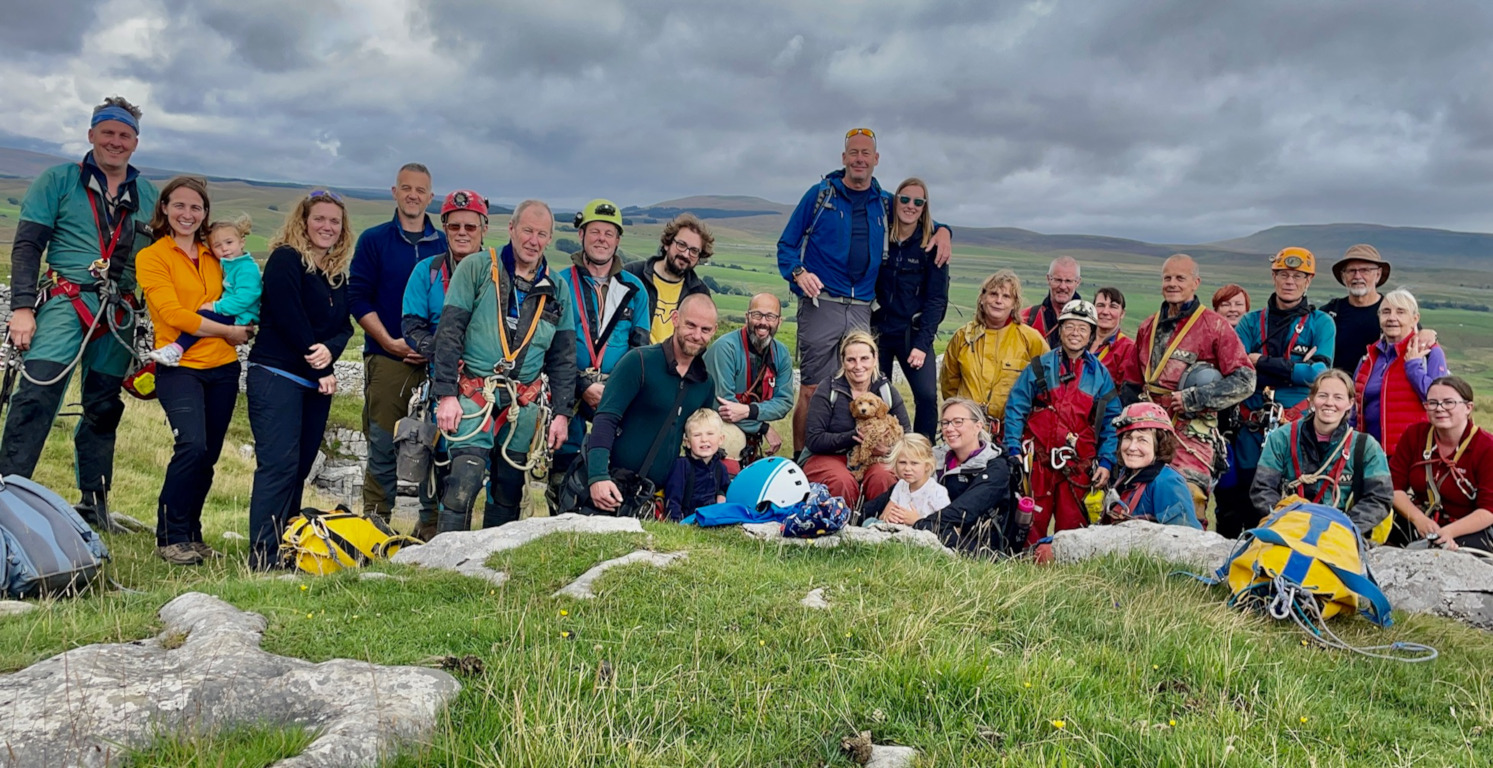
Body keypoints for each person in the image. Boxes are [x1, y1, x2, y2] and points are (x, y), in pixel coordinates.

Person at [0, 96, 160, 531]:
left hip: (120, 311)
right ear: (91, 135)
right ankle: (8, 495)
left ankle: (95, 503)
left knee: (104, 408)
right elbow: (29, 244)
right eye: (107, 132)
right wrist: (21, 309)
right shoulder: (58, 180)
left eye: (124, 135)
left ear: (135, 142)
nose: (115, 141)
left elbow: (164, 257)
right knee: (35, 396)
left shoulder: (147, 194)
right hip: (66, 302)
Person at [775, 128, 951, 454]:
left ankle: (856, 457)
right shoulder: (819, 196)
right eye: (853, 153)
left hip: (861, 309)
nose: (859, 159)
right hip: (821, 303)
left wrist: (944, 231)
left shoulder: (883, 202)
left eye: (865, 153)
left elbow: (917, 215)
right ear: (844, 158)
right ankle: (802, 462)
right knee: (813, 389)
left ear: (876, 160)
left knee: (860, 388)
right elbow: (786, 245)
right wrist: (798, 273)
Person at [431, 200, 576, 532]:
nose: (533, 240)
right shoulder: (478, 269)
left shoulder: (558, 289)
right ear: (511, 229)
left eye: (542, 234)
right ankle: (443, 563)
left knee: (509, 488)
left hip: (522, 403)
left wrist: (563, 414)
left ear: (550, 238)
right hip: (473, 393)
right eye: (527, 230)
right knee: (463, 479)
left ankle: (492, 564)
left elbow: (563, 358)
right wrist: (445, 395)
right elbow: (449, 333)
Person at [135, 177, 252, 565]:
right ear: (165, 208)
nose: (188, 214)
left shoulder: (216, 253)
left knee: (209, 454)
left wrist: (246, 325)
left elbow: (238, 295)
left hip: (222, 367)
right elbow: (173, 314)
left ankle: (194, 534)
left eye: (196, 208)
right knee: (192, 445)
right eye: (180, 206)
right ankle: (170, 535)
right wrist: (230, 331)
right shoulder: (153, 257)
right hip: (179, 367)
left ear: (205, 214)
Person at [245, 190, 356, 570]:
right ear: (303, 222)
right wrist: (320, 363)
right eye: (320, 219)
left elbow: (344, 327)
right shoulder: (285, 259)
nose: (327, 227)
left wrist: (331, 352)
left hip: (312, 385)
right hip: (277, 375)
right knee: (277, 465)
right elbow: (289, 316)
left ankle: (286, 546)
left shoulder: (336, 275)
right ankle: (262, 556)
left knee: (298, 467)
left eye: (335, 222)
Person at [347, 164, 446, 523]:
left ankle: (432, 528)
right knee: (383, 443)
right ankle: (375, 526)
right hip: (387, 357)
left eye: (420, 190)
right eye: (406, 188)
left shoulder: (446, 243)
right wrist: (389, 342)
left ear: (430, 197)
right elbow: (357, 298)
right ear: (394, 192)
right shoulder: (374, 240)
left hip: (438, 363)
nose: (413, 195)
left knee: (437, 444)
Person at [1218, 247, 1335, 538]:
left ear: (1308, 281)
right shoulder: (1250, 322)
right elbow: (1239, 369)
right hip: (1250, 422)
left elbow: (1318, 375)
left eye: (1298, 276)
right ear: (1274, 277)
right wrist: (1295, 368)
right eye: (1284, 275)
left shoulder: (1321, 323)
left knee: (1292, 494)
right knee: (1243, 497)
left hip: (1296, 426)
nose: (1290, 282)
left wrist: (1264, 361)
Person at [1128, 254, 1255, 518]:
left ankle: (1189, 558)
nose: (1172, 284)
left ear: (1195, 283)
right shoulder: (1147, 327)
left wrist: (1194, 398)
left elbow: (1246, 380)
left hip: (1191, 434)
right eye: (1167, 278)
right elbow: (1131, 382)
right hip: (1150, 430)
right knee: (1141, 501)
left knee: (1188, 501)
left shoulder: (1214, 326)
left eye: (1180, 278)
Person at [400, 189, 491, 540]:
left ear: (484, 227)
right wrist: (438, 350)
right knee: (432, 450)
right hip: (440, 377)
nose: (463, 232)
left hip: (486, 384)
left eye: (471, 225)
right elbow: (411, 323)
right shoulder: (429, 271)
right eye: (455, 226)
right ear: (445, 228)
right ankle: (430, 527)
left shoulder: (497, 274)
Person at [552, 199, 652, 505]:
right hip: (567, 393)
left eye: (609, 233)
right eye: (594, 231)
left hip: (616, 395)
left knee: (612, 466)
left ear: (618, 240)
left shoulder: (635, 289)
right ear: (581, 235)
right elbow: (548, 347)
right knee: (563, 468)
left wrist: (613, 390)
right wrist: (583, 386)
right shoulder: (559, 282)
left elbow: (640, 352)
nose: (601, 239)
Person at [586, 293, 719, 512]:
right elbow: (605, 418)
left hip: (662, 501)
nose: (696, 335)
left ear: (714, 331)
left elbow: (702, 443)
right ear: (675, 319)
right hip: (613, 488)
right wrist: (597, 476)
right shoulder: (639, 362)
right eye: (691, 325)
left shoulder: (705, 383)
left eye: (705, 330)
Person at [1003, 300, 1121, 544]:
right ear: (1060, 329)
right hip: (1037, 463)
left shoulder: (1100, 377)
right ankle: (1027, 566)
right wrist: (1013, 449)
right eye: (1070, 327)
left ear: (1091, 334)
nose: (1075, 333)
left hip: (1077, 466)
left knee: (1073, 528)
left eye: (1082, 328)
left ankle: (1067, 574)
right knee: (1031, 522)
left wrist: (1107, 461)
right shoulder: (1038, 367)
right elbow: (1017, 407)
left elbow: (1111, 422)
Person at [1252, 370, 1392, 536]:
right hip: (1288, 529)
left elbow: (1380, 498)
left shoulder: (1366, 447)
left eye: (1338, 397)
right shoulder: (1281, 438)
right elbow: (1262, 488)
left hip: (1343, 534)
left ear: (1350, 403)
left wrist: (1342, 528)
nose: (1329, 403)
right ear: (1311, 400)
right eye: (1323, 395)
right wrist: (1288, 521)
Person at [871, 177, 949, 439]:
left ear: (924, 207)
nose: (911, 205)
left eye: (918, 201)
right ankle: (883, 452)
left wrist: (922, 343)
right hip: (878, 330)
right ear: (895, 202)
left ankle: (922, 452)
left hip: (912, 333)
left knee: (927, 396)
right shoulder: (880, 236)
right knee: (877, 397)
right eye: (904, 199)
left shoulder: (932, 245)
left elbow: (937, 300)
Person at [802, 330, 911, 506]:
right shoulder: (828, 389)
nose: (858, 366)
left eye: (865, 359)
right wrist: (854, 436)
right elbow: (814, 439)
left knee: (882, 477)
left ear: (875, 359)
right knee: (841, 481)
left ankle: (879, 526)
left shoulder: (886, 391)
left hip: (876, 457)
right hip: (830, 456)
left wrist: (887, 450)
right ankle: (840, 527)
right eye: (851, 360)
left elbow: (906, 436)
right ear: (843, 362)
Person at [939, 269, 1048, 438]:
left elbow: (1047, 385)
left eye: (1006, 296)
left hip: (1012, 434)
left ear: (1015, 303)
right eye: (993, 294)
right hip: (966, 433)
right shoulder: (962, 337)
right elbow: (949, 384)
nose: (998, 301)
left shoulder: (1031, 339)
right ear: (982, 298)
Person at [1389, 376, 1493, 550]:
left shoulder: (1487, 447)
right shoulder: (1414, 435)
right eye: (1432, 403)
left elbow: (1489, 510)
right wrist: (1418, 519)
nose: (1439, 409)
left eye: (1448, 402)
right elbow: (1393, 487)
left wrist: (1449, 532)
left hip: (1472, 528)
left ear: (1468, 408)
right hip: (1422, 521)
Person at [147, 214, 260, 366]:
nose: (224, 249)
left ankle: (175, 349)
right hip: (236, 312)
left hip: (241, 316)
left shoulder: (246, 268)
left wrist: (215, 306)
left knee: (202, 318)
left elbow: (245, 298)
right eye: (217, 246)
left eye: (229, 242)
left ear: (242, 242)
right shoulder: (232, 264)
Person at [1353, 289, 1449, 461]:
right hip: (1369, 454)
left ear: (1415, 318)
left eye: (1400, 312)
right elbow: (1354, 407)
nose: (1392, 318)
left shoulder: (1430, 352)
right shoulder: (1369, 357)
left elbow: (1437, 401)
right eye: (1386, 312)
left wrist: (1413, 366)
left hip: (1414, 455)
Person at [910, 398, 1013, 553]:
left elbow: (965, 510)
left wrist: (919, 523)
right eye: (945, 423)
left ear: (978, 426)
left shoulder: (996, 467)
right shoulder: (935, 456)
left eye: (958, 422)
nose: (949, 428)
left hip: (976, 544)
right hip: (935, 528)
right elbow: (903, 487)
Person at [706, 292, 794, 467]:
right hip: (714, 425)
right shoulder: (725, 349)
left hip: (747, 425)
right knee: (733, 442)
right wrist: (763, 428)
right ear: (747, 317)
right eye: (757, 315)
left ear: (779, 321)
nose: (763, 322)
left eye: (770, 316)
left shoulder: (782, 354)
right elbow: (723, 407)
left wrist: (749, 411)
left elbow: (784, 401)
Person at [1102, 402, 1199, 528]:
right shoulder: (1128, 475)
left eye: (1142, 440)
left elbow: (1185, 537)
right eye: (1127, 438)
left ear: (1159, 445)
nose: (1132, 447)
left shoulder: (1167, 482)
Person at [624, 213, 712, 343]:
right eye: (681, 245)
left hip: (675, 362)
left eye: (694, 251)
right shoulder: (632, 275)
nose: (686, 254)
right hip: (633, 359)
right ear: (667, 244)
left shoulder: (699, 292)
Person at [862, 433, 950, 525]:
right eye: (902, 462)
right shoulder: (901, 485)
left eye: (914, 463)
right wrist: (888, 517)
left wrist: (917, 521)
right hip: (896, 530)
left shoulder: (937, 492)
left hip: (920, 534)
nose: (907, 468)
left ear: (927, 466)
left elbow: (945, 526)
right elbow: (884, 515)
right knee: (869, 522)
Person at [662, 409, 732, 522]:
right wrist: (676, 521)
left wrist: (721, 495)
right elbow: (673, 499)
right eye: (697, 435)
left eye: (710, 434)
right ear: (687, 442)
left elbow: (727, 489)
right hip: (688, 519)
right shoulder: (682, 466)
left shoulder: (720, 468)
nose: (704, 440)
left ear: (720, 439)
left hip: (711, 519)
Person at [1021, 256, 1082, 347]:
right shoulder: (1026, 317)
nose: (1062, 286)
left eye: (1068, 281)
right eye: (1058, 280)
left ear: (1077, 282)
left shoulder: (1090, 321)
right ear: (1048, 279)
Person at [1090, 286, 1139, 396]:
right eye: (1100, 305)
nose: (1105, 312)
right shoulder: (1081, 340)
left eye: (1113, 306)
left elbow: (1125, 392)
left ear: (1122, 314)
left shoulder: (1128, 348)